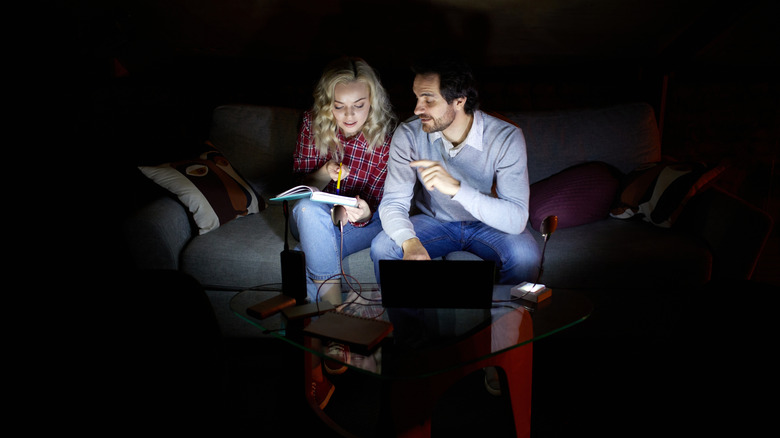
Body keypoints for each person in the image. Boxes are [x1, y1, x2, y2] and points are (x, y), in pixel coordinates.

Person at [370, 55, 541, 286]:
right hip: (435, 222)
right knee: (383, 248)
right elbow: (393, 201)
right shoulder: (409, 134)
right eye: (417, 97)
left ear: (459, 101)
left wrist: (457, 189)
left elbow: (517, 219)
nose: (417, 108)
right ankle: (410, 324)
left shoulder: (506, 137)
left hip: (489, 223)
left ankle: (504, 321)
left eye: (428, 100)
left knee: (526, 257)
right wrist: (410, 242)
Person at [292, 56, 396, 305]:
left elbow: (380, 203)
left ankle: (325, 325)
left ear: (371, 101)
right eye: (339, 106)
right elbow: (298, 189)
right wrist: (323, 173)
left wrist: (363, 215)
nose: (349, 115)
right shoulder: (311, 123)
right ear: (328, 105)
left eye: (359, 105)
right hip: (313, 216)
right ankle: (335, 313)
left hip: (362, 220)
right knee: (306, 209)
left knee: (301, 256)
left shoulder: (386, 135)